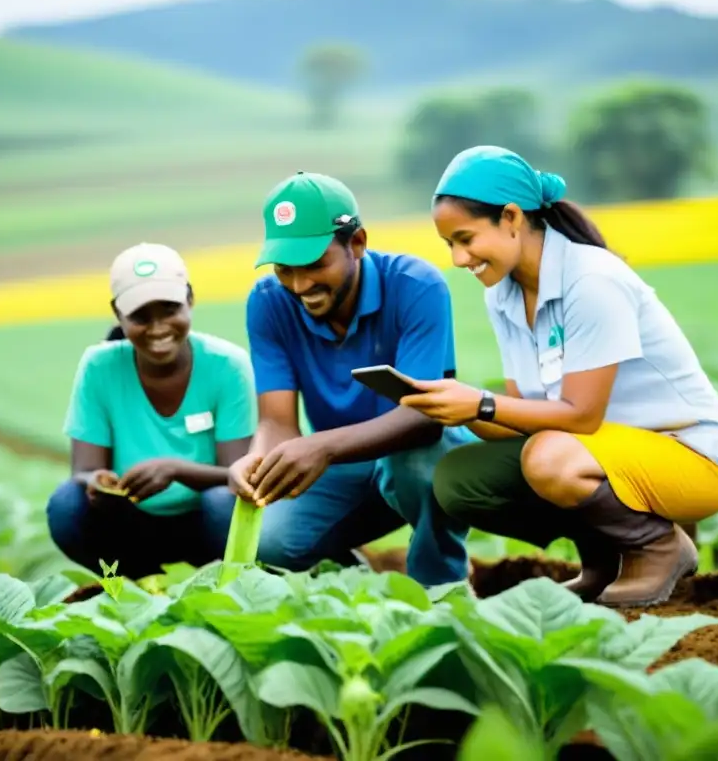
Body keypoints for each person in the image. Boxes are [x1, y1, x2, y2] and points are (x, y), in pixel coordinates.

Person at [398, 145, 718, 608]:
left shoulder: (592, 281)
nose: (460, 259)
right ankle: (604, 561)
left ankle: (657, 546)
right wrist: (452, 408)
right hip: (605, 452)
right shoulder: (503, 292)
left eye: (466, 238)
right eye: (449, 246)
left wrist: (481, 402)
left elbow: (579, 416)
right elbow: (524, 416)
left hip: (690, 457)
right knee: (459, 479)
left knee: (549, 456)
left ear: (513, 218)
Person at [224, 171, 475, 588]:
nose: (300, 285)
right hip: (341, 466)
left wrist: (320, 446)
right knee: (271, 541)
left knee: (414, 462)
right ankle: (351, 579)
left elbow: (426, 417)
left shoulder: (416, 285)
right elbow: (277, 422)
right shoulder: (269, 302)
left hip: (420, 457)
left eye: (315, 265)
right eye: (285, 269)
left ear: (357, 243)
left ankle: (442, 586)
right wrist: (259, 462)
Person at [46, 242, 256, 579]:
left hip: (207, 523)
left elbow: (238, 475)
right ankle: (139, 580)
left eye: (170, 309)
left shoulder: (228, 365)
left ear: (190, 300)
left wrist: (175, 470)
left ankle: (225, 582)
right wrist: (98, 483)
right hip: (132, 522)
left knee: (222, 503)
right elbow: (83, 469)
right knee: (66, 506)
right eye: (140, 317)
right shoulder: (99, 366)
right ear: (118, 315)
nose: (158, 328)